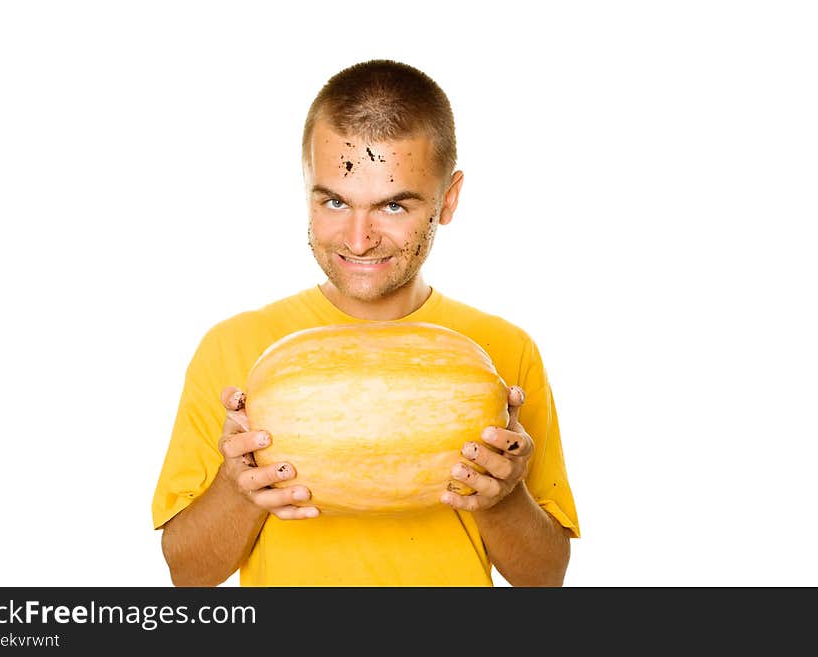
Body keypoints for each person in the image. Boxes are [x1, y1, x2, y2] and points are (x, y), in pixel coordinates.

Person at [151, 59, 580, 587]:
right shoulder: (233, 348)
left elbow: (547, 579)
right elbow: (187, 575)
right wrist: (238, 489)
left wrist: (502, 498)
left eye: (393, 207)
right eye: (334, 200)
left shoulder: (505, 349)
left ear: (448, 199)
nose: (358, 240)